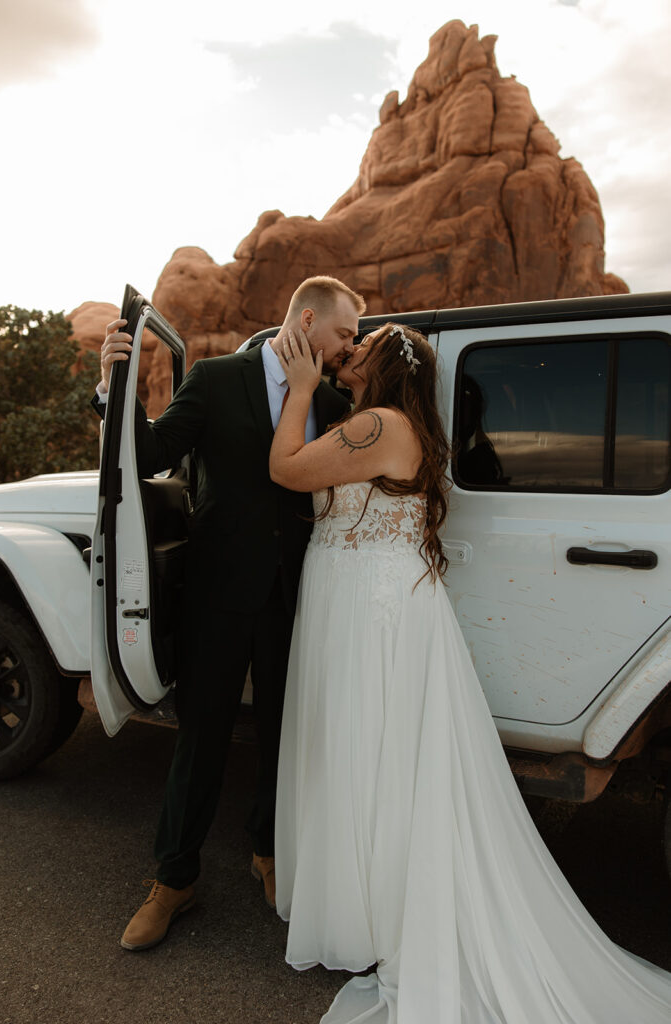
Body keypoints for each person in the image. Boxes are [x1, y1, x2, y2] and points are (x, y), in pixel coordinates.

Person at [267, 324, 671, 1023]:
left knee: (370, 751)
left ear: (384, 368)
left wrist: (300, 388)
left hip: (370, 609)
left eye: (359, 348)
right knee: (377, 753)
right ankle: (364, 900)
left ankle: (374, 906)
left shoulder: (378, 423)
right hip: (369, 598)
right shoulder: (390, 424)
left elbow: (287, 470)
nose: (347, 352)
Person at [94, 276, 363, 951]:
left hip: (295, 595)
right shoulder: (215, 378)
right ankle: (173, 878)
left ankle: (267, 852)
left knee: (281, 730)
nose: (346, 348)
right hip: (216, 593)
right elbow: (152, 454)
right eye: (342, 335)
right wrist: (114, 389)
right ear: (307, 320)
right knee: (201, 735)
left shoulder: (329, 399)